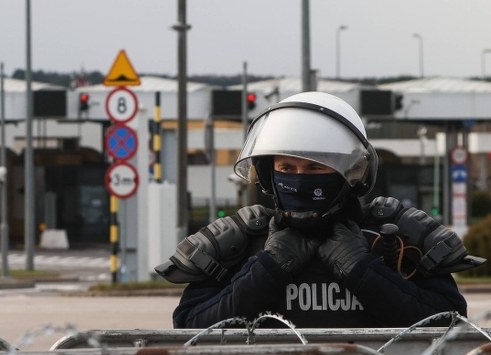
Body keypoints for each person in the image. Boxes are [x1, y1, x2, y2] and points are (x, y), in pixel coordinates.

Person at [155, 91, 485, 329]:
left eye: (315, 168)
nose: (299, 179)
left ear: (351, 172)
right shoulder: (240, 240)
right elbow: (190, 326)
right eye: (287, 166)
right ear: (269, 174)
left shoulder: (398, 237)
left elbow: (450, 324)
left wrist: (362, 270)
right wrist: (268, 268)